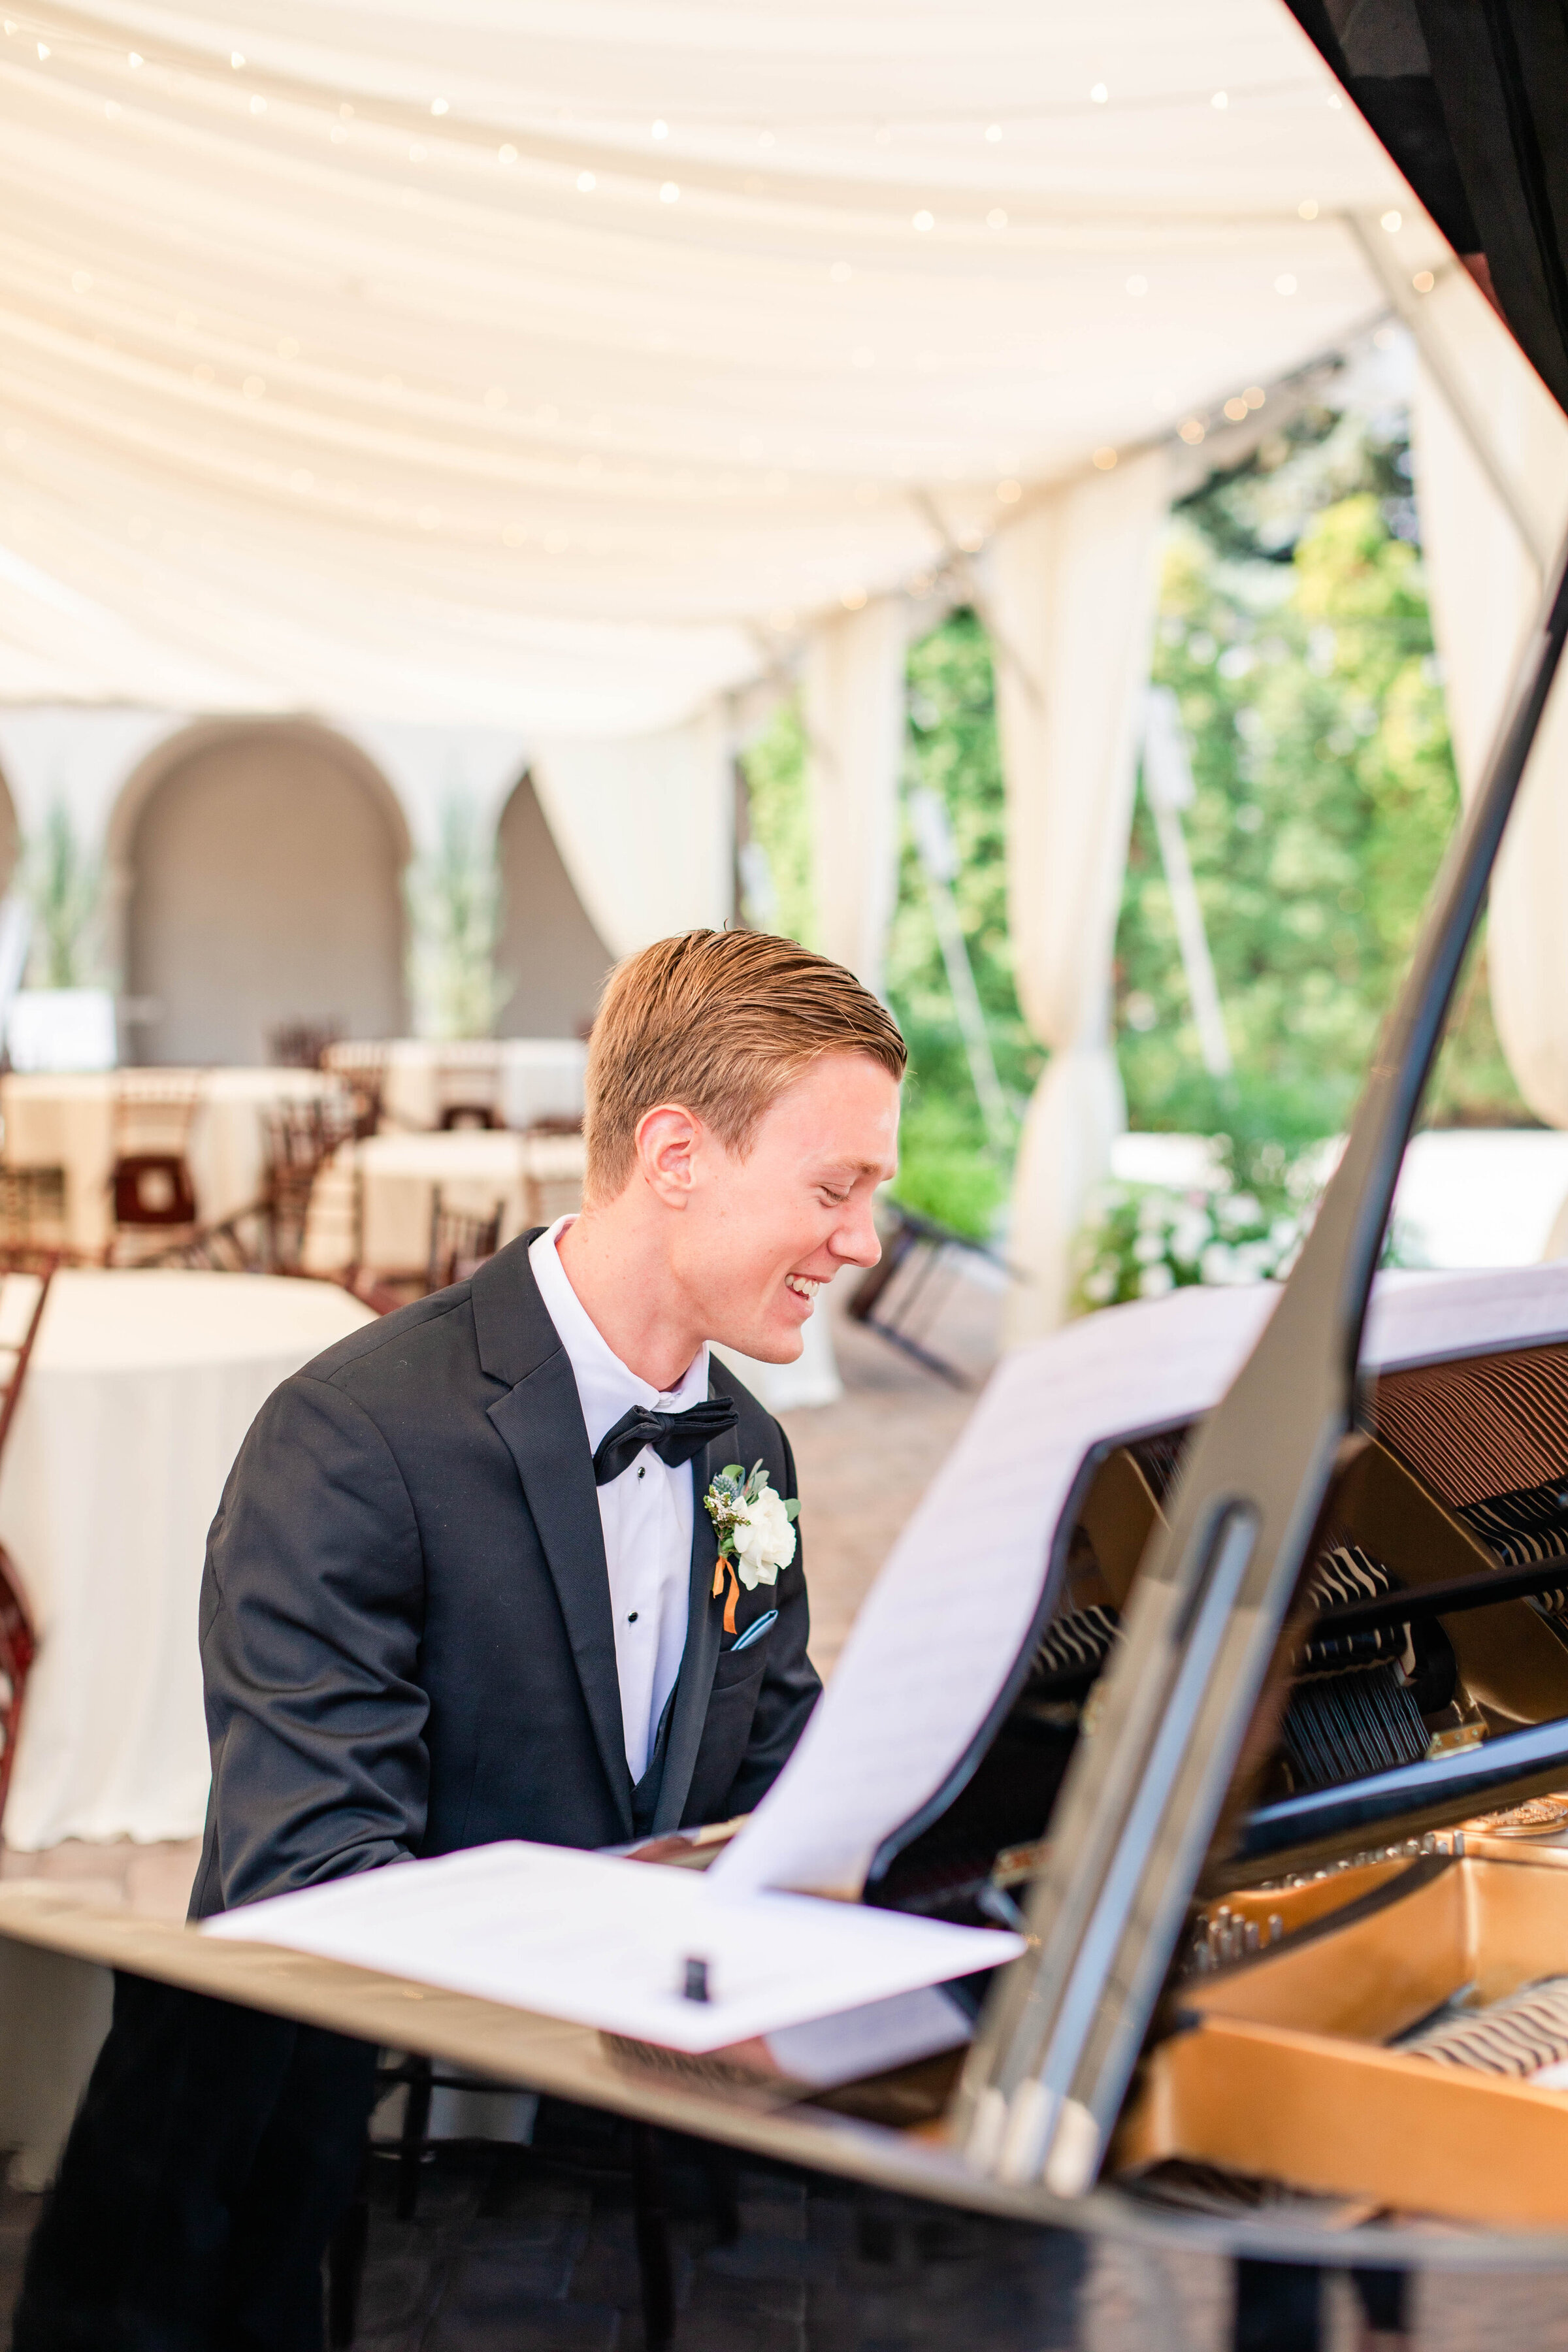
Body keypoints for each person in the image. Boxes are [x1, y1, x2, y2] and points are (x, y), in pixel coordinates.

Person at [16, 927, 906, 2352]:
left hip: (623, 2182)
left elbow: (769, 1770)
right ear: (677, 1156)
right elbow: (321, 1878)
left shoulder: (746, 1450)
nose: (864, 1241)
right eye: (836, 1188)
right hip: (350, 2196)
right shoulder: (353, 1439)